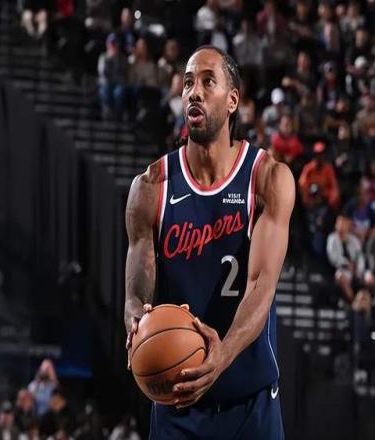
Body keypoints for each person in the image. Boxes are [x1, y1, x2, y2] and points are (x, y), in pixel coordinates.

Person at [124, 45, 294, 439]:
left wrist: (222, 355)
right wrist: (136, 323)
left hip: (250, 404)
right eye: (187, 83)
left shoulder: (266, 179)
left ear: (232, 100)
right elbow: (136, 293)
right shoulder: (150, 188)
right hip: (178, 406)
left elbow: (261, 286)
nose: (194, 92)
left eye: (207, 81)